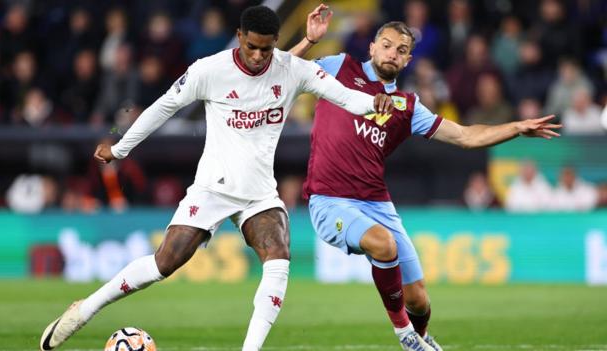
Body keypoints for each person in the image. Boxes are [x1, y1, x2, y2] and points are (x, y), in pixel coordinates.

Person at [40, 5, 394, 351]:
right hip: (213, 188)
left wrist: (375, 102)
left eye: (266, 49)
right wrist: (121, 149)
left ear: (275, 44)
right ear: (239, 37)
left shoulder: (293, 69)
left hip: (259, 193)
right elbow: (164, 106)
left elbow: (347, 98)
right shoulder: (209, 70)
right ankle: (85, 309)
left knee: (279, 257)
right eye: (251, 46)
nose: (258, 55)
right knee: (165, 263)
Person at [290, 10, 561, 351]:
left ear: (408, 60)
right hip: (330, 200)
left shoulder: (407, 106)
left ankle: (419, 333)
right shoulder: (339, 67)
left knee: (418, 299)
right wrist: (309, 40)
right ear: (372, 47)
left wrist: (517, 128)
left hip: (377, 203)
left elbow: (465, 136)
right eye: (386, 45)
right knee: (383, 244)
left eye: (401, 50)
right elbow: (282, 71)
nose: (392, 53)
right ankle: (406, 335)